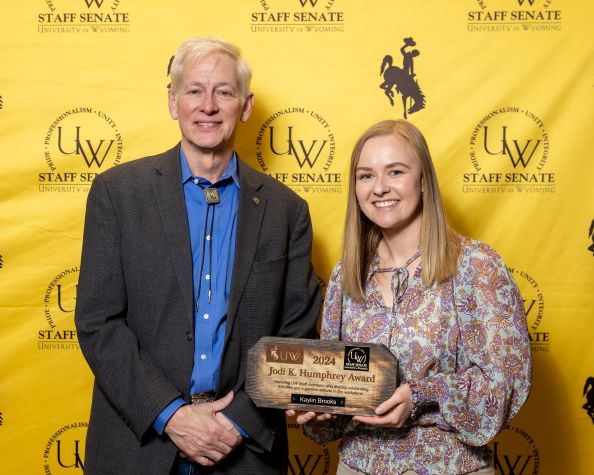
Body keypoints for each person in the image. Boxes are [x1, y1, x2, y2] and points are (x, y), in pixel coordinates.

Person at [75, 37, 321, 475]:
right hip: (138, 451)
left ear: (245, 107)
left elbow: (296, 334)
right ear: (173, 102)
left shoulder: (287, 210)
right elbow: (98, 322)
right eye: (194, 90)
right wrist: (171, 415)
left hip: (243, 452)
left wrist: (234, 421)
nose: (208, 105)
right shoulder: (117, 193)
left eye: (224, 92)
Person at [288, 119, 531, 475]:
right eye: (366, 175)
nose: (380, 188)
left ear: (423, 181)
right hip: (358, 467)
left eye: (395, 172)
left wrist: (421, 395)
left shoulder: (477, 266)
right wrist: (319, 405)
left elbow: (505, 385)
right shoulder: (347, 273)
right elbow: (335, 392)